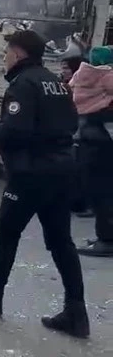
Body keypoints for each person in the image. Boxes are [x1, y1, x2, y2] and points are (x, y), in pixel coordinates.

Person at [0, 29, 89, 339]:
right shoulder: (56, 82)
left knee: (6, 233)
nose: (4, 58)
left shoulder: (23, 84)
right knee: (61, 242)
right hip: (61, 170)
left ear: (18, 54)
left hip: (30, 173)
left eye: (6, 52)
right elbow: (72, 122)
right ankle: (77, 312)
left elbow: (15, 130)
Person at [68, 45, 113, 258]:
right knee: (105, 192)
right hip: (100, 137)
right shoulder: (106, 77)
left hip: (89, 135)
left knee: (100, 191)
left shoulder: (82, 76)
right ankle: (107, 238)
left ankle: (106, 238)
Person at [60, 55, 93, 217]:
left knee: (79, 169)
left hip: (79, 133)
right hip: (72, 132)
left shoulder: (81, 85)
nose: (63, 71)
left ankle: (80, 203)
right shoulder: (66, 84)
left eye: (66, 67)